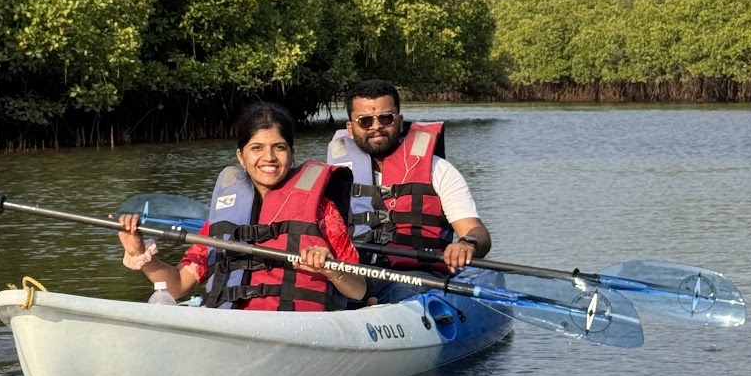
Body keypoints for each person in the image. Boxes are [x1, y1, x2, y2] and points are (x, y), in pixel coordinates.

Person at [117, 102, 367, 310]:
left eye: (279, 147)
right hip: (232, 323)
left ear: (291, 153)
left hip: (296, 325)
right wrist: (140, 254)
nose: (268, 158)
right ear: (241, 156)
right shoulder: (223, 215)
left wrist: (331, 268)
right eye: (256, 148)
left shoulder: (323, 210)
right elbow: (177, 285)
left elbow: (358, 289)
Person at [325, 79, 491, 284]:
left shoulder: (437, 169)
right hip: (352, 277)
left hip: (416, 279)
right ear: (350, 128)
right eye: (365, 121)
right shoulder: (333, 177)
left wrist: (468, 244)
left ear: (399, 121)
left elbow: (476, 231)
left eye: (385, 118)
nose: (376, 127)